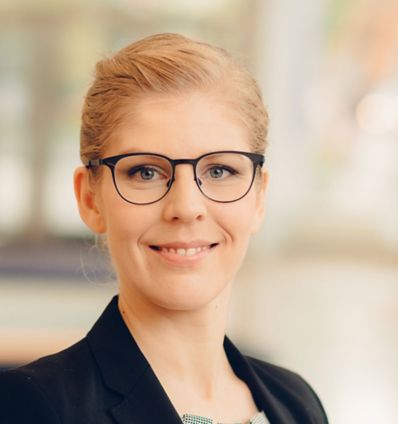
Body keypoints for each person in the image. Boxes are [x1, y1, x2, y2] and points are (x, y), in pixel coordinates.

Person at [0, 33, 328, 424]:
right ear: (90, 199)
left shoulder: (295, 403)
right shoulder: (31, 406)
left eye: (220, 171)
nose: (186, 208)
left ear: (258, 198)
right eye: (146, 172)